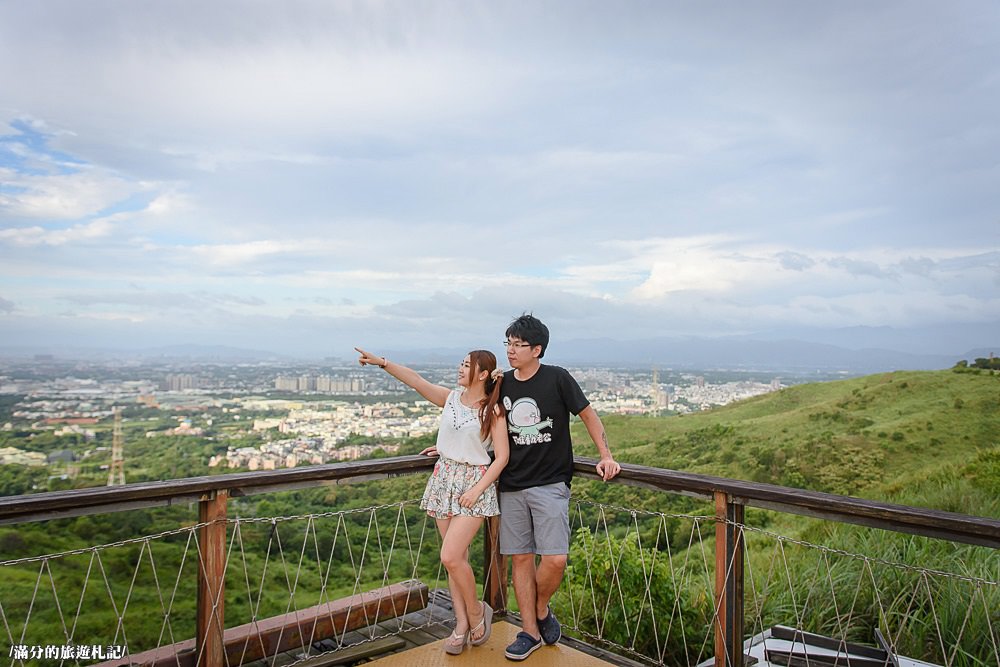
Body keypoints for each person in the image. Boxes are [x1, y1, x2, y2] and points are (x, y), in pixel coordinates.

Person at [355, 346, 509, 655]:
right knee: (457, 562)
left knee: (450, 556)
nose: (460, 368)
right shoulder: (451, 398)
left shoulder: (492, 409)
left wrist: (477, 490)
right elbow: (415, 381)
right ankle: (462, 624)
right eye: (461, 363)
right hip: (443, 480)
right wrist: (383, 363)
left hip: (472, 486)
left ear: (481, 374)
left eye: (466, 365)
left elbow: (501, 458)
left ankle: (478, 611)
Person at [496, 314, 621, 661]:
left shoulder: (557, 378)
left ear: (537, 349)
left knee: (554, 558)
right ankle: (530, 632)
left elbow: (588, 416)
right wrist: (448, 448)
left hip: (550, 482)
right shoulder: (502, 383)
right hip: (511, 483)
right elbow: (482, 421)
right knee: (520, 558)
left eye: (518, 345)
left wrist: (606, 455)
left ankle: (539, 607)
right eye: (508, 343)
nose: (511, 350)